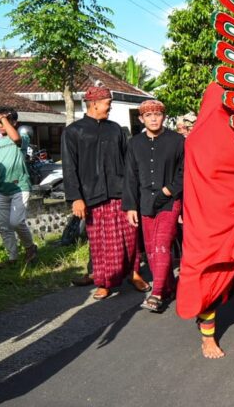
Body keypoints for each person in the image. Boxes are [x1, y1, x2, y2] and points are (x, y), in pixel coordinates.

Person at [62, 86, 150, 300]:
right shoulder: (73, 132)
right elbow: (69, 167)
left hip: (120, 192)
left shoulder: (116, 130)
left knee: (130, 237)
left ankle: (135, 273)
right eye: (107, 104)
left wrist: (133, 191)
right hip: (92, 196)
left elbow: (129, 163)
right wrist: (76, 198)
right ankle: (104, 282)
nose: (109, 108)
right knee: (100, 241)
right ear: (95, 104)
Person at [122, 99, 185, 313]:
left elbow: (184, 172)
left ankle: (156, 293)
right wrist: (130, 206)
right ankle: (168, 287)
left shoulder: (177, 141)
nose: (153, 118)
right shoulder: (134, 143)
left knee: (161, 244)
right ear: (141, 119)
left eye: (157, 114)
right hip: (144, 202)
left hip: (169, 200)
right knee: (150, 249)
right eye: (148, 115)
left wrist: (168, 191)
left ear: (164, 116)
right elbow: (130, 176)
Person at [0, 107, 37, 266]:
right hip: (1, 190)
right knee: (4, 227)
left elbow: (15, 138)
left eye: (3, 121)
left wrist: (3, 119)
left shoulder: (22, 136)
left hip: (20, 187)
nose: (0, 125)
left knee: (16, 222)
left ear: (14, 122)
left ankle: (30, 247)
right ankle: (12, 258)